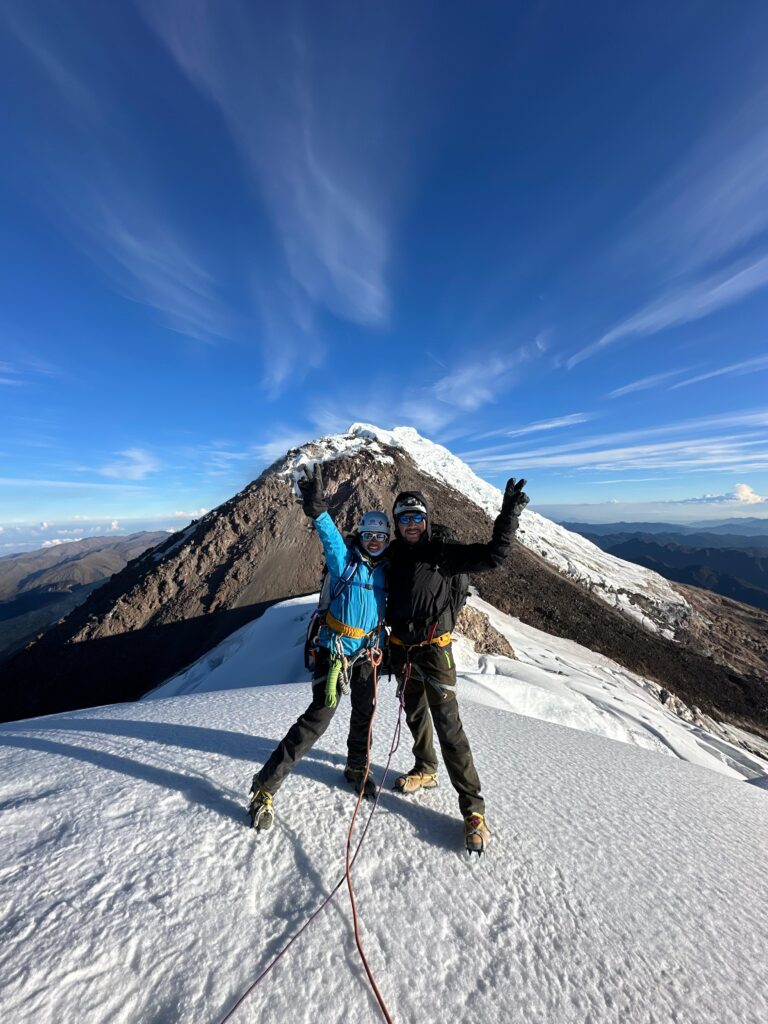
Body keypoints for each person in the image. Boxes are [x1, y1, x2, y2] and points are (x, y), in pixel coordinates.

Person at [386, 478, 528, 854]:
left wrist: (508, 514)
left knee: (449, 728)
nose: (411, 524)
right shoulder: (392, 553)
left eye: (417, 517)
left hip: (435, 651)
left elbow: (495, 556)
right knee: (415, 713)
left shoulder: (442, 552)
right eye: (404, 518)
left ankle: (473, 811)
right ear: (396, 522)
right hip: (403, 650)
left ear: (427, 519)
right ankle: (425, 769)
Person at [248, 464, 389, 831]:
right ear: (360, 535)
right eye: (369, 535)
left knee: (365, 712)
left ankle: (357, 766)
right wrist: (319, 511)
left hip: (366, 653)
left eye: (380, 537)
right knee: (318, 718)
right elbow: (329, 539)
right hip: (336, 651)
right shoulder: (345, 563)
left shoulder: (386, 572)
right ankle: (265, 786)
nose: (374, 541)